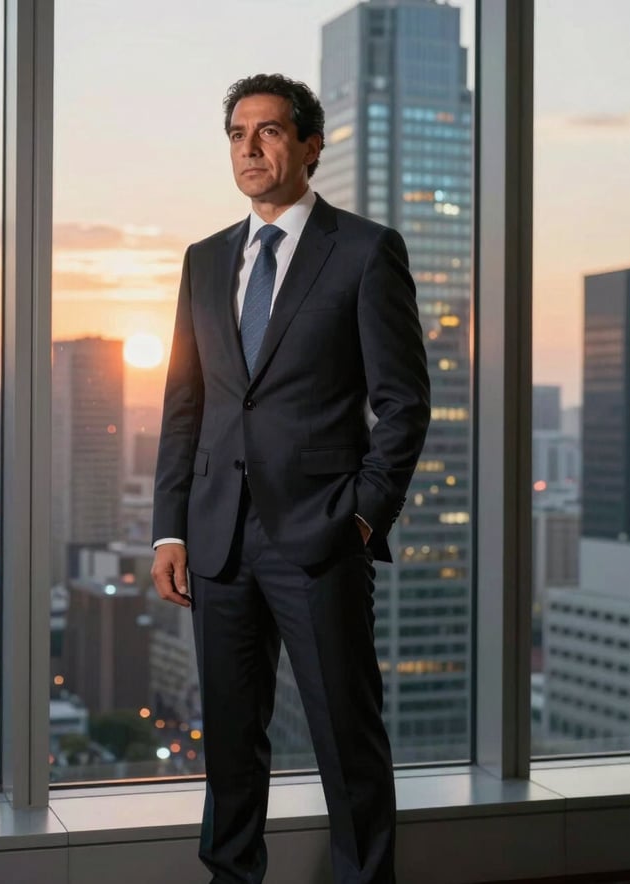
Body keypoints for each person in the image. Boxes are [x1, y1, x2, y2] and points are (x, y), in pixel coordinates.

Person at [151, 72, 430, 884]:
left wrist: (364, 518)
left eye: (270, 131)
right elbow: (184, 404)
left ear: (310, 144)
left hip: (320, 535)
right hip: (216, 538)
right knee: (232, 741)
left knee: (348, 738)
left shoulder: (365, 251)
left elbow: (404, 405)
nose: (250, 147)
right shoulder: (205, 261)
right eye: (238, 133)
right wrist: (171, 528)